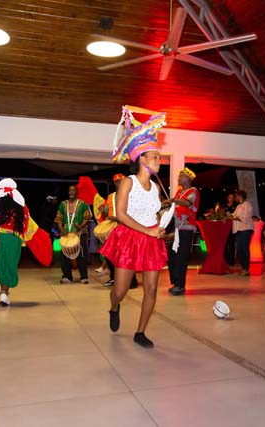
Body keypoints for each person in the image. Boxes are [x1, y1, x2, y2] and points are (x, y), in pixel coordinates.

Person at [101, 105, 168, 348]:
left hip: (151, 240)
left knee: (151, 289)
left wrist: (159, 226)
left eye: (159, 157)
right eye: (155, 156)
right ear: (142, 158)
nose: (159, 160)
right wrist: (147, 230)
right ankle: (114, 307)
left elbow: (153, 213)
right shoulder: (128, 183)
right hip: (129, 238)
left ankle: (140, 332)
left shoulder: (156, 187)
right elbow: (120, 215)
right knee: (120, 291)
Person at [0, 178, 51, 306]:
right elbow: (29, 226)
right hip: (11, 238)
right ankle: (4, 294)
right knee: (7, 265)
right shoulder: (22, 207)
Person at [166, 167, 199, 296]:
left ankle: (180, 285)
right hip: (176, 228)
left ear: (188, 179)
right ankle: (176, 282)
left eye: (181, 176)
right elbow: (174, 206)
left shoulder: (193, 191)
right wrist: (166, 204)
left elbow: (187, 203)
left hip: (185, 228)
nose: (179, 178)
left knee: (181, 256)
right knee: (172, 255)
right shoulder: (179, 192)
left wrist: (173, 200)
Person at [102, 173, 138, 289]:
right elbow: (106, 213)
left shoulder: (130, 195)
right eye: (116, 182)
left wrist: (118, 218)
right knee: (109, 254)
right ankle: (114, 278)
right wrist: (103, 211)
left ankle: (132, 281)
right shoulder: (110, 197)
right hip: (112, 229)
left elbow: (132, 213)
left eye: (120, 181)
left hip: (125, 228)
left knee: (126, 255)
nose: (119, 183)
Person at [55, 185, 92, 284]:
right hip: (66, 234)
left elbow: (87, 218)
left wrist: (80, 227)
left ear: (77, 192)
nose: (71, 192)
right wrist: (62, 230)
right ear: (68, 192)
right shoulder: (63, 204)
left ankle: (83, 277)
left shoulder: (83, 204)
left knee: (82, 255)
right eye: (70, 190)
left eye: (73, 190)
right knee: (64, 255)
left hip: (80, 233)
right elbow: (58, 219)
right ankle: (67, 276)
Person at [231, 190, 254, 276]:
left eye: (236, 196)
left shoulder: (247, 205)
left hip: (246, 229)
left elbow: (245, 218)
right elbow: (234, 215)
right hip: (239, 230)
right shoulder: (238, 206)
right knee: (239, 248)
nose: (235, 198)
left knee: (244, 248)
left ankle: (246, 269)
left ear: (240, 196)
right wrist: (227, 216)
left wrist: (233, 218)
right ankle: (243, 268)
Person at [223, 193, 238, 265]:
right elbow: (221, 215)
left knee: (232, 244)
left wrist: (230, 217)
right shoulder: (224, 206)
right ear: (227, 198)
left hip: (233, 227)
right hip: (225, 228)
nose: (231, 198)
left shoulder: (236, 206)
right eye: (229, 197)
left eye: (232, 197)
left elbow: (236, 216)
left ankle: (231, 262)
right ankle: (224, 261)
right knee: (225, 244)